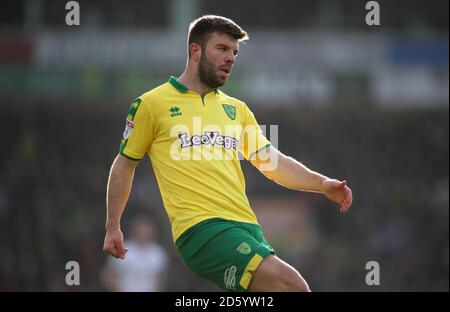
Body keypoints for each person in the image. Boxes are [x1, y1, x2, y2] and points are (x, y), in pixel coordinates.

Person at [103, 15, 353, 292]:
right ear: (195, 50)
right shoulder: (152, 104)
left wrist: (320, 184)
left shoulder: (237, 110)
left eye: (234, 52)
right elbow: (124, 165)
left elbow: (272, 162)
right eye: (222, 48)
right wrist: (113, 226)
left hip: (247, 228)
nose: (231, 58)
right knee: (291, 285)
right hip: (201, 229)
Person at [101, 214, 168, 292]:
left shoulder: (159, 253)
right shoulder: (122, 248)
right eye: (141, 230)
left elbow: (161, 280)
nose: (143, 233)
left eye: (146, 230)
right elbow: (108, 274)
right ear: (134, 230)